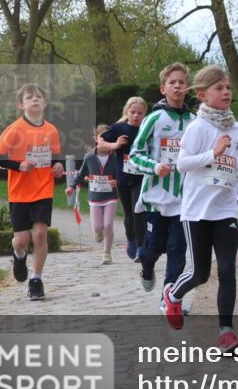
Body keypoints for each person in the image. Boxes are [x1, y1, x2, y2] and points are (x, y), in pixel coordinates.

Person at [162, 65, 238, 351]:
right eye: (219, 88)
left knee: (227, 269)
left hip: (225, 208)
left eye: (228, 87)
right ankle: (173, 295)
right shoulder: (198, 128)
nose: (226, 92)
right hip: (197, 210)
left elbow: (231, 156)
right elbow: (183, 163)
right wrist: (211, 153)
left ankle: (226, 332)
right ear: (203, 95)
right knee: (200, 273)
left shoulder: (235, 126)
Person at [0, 83, 65, 300]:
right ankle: (18, 254)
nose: (35, 99)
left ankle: (36, 280)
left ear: (45, 102)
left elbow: (55, 156)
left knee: (41, 234)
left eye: (38, 96)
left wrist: (58, 165)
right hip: (19, 192)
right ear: (21, 104)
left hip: (43, 189)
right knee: (22, 239)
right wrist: (18, 166)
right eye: (30, 97)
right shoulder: (14, 129)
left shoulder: (51, 130)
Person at [129, 63, 194, 299]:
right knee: (153, 248)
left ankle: (170, 299)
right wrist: (156, 167)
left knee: (178, 251)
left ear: (188, 88)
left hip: (184, 199)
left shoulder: (194, 121)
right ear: (163, 89)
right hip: (156, 198)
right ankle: (146, 268)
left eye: (182, 82)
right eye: (172, 82)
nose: (177, 86)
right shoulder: (154, 118)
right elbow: (135, 154)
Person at [97, 96, 148, 261]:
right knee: (129, 214)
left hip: (141, 177)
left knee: (138, 211)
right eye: (133, 112)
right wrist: (115, 145)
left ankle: (141, 248)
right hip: (124, 177)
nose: (136, 116)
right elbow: (100, 143)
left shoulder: (148, 128)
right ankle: (131, 240)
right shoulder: (119, 128)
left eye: (140, 113)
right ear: (127, 112)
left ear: (145, 114)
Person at [67, 124, 119, 265]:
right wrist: (72, 187)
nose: (106, 140)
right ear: (96, 139)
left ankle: (107, 253)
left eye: (110, 138)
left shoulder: (115, 157)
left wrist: (117, 181)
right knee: (97, 228)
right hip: (95, 198)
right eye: (102, 137)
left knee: (108, 225)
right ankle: (98, 232)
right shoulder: (89, 157)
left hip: (110, 197)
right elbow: (81, 174)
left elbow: (122, 174)